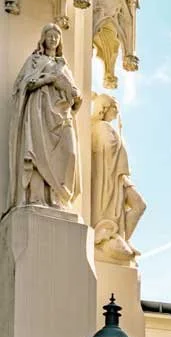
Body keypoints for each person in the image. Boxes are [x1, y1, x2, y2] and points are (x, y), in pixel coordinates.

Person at [7, 23, 81, 210]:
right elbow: (24, 85)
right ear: (43, 39)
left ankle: (60, 197)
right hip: (39, 110)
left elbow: (73, 95)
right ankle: (37, 198)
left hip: (62, 114)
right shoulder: (34, 60)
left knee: (70, 153)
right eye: (50, 35)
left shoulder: (63, 65)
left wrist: (75, 95)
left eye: (57, 36)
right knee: (38, 152)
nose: (53, 39)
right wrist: (48, 80)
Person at [90, 93, 145, 259]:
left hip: (118, 175)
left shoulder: (106, 127)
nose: (116, 112)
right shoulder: (101, 127)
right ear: (104, 109)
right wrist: (119, 142)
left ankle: (123, 238)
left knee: (140, 205)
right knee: (139, 205)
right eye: (114, 108)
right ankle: (115, 236)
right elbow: (107, 148)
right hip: (110, 175)